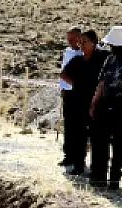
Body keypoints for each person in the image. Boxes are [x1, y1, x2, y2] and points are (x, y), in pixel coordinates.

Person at [89, 25, 122, 190]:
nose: (110, 46)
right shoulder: (109, 59)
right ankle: (98, 178)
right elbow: (102, 82)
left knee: (119, 144)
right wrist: (94, 102)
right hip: (104, 106)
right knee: (100, 142)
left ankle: (114, 180)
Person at [60, 30, 110, 175]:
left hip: (98, 102)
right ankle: (78, 164)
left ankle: (98, 168)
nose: (81, 45)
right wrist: (76, 85)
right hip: (79, 102)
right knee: (78, 134)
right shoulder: (77, 60)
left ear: (94, 43)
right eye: (79, 42)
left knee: (97, 136)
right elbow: (63, 74)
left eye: (85, 42)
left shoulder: (103, 57)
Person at [57, 28, 83, 167]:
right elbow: (63, 70)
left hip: (78, 93)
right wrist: (62, 88)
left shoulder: (83, 54)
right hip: (67, 93)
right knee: (68, 125)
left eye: (73, 39)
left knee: (78, 127)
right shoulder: (67, 52)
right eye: (69, 39)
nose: (70, 42)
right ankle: (68, 155)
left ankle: (78, 157)